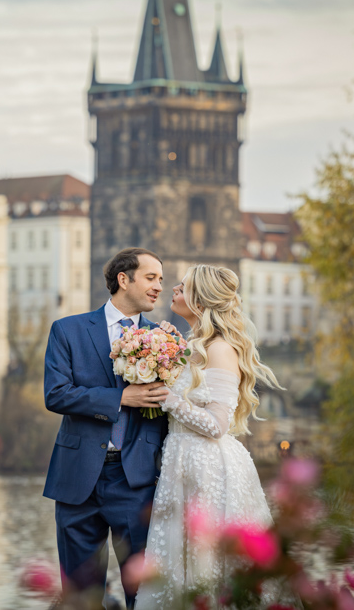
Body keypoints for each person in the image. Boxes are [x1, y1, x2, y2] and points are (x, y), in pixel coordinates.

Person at [135, 264, 282, 608]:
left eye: (182, 287)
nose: (173, 289)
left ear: (199, 301)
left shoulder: (220, 348)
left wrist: (169, 400)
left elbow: (217, 424)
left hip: (207, 464)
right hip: (181, 460)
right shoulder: (189, 344)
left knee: (209, 561)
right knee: (178, 559)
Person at [42, 248, 170, 609]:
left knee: (142, 595)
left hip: (137, 481)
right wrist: (120, 399)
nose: (159, 286)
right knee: (80, 597)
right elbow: (56, 395)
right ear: (123, 279)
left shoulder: (165, 341)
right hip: (76, 479)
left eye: (161, 279)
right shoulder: (67, 330)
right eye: (151, 277)